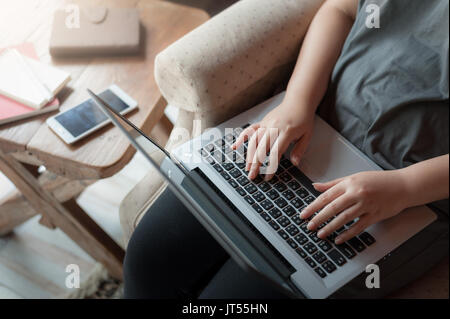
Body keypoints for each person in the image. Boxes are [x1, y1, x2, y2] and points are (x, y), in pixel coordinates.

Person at [123, 0, 449, 298]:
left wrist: (404, 187)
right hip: (308, 130)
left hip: (401, 192)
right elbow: (341, 9)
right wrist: (297, 102)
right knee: (146, 261)